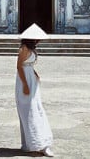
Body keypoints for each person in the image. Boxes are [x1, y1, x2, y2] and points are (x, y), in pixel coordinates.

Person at [16, 23, 54, 157]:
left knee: (37, 110)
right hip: (24, 82)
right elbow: (19, 67)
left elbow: (28, 65)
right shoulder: (24, 49)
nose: (39, 41)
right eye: (37, 38)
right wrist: (25, 85)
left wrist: (34, 74)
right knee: (29, 112)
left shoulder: (31, 49)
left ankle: (39, 143)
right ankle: (36, 143)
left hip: (31, 80)